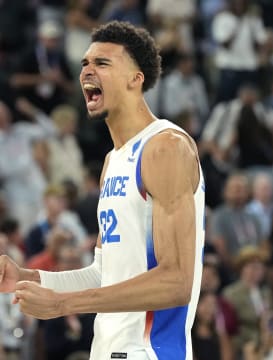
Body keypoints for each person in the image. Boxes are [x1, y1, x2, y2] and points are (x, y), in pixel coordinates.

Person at [0, 21, 205, 360]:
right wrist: (30, 278)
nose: (87, 72)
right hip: (109, 348)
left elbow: (176, 282)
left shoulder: (165, 147)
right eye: (85, 64)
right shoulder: (112, 161)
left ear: (135, 78)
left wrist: (63, 304)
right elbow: (102, 273)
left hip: (149, 351)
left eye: (102, 63)